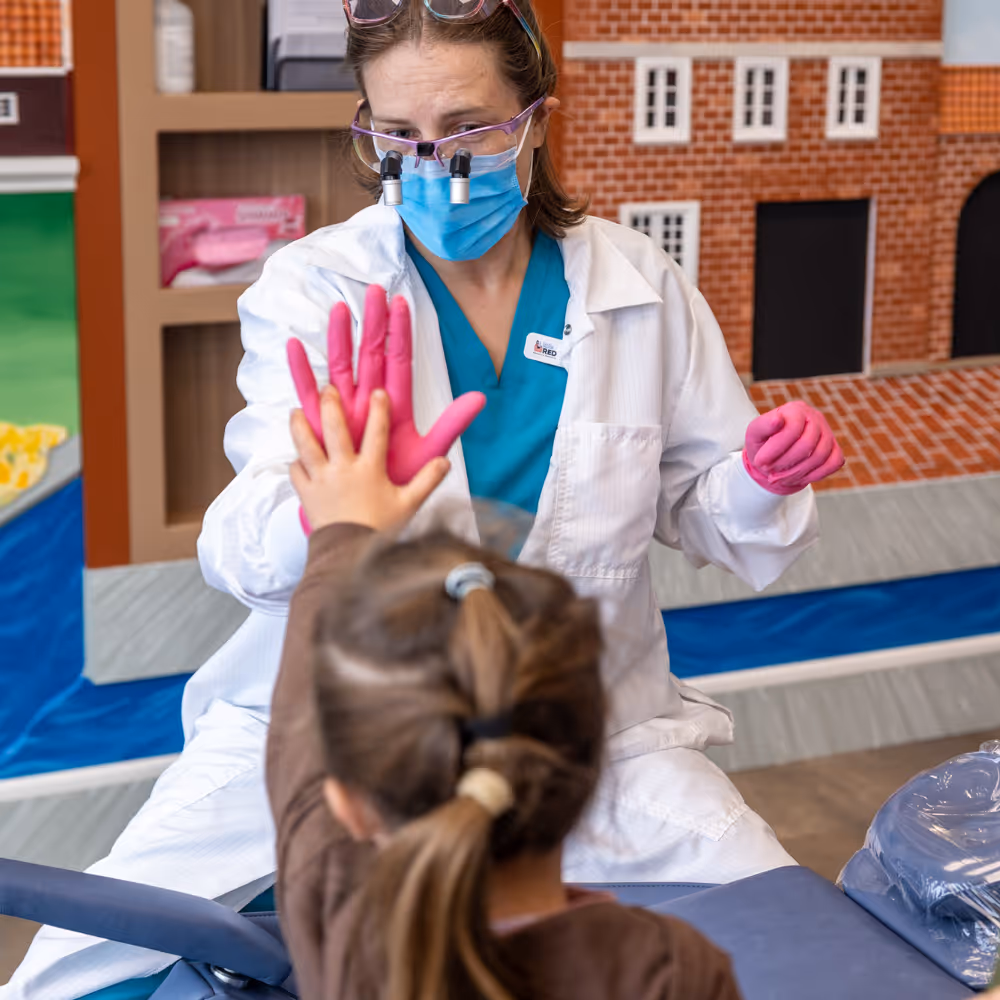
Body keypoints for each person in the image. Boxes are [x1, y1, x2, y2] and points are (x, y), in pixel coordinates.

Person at [3, 0, 843, 995]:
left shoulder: (640, 287)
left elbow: (698, 505)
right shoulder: (316, 290)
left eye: (468, 130)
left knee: (790, 946)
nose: (433, 164)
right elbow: (233, 546)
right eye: (398, 135)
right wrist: (336, 509)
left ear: (535, 115)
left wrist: (755, 480)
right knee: (69, 975)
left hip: (581, 730)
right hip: (350, 722)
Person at [271, 373, 743, 1000]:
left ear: (348, 802)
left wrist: (345, 534)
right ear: (592, 765)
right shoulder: (669, 970)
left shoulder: (340, 924)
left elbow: (295, 744)